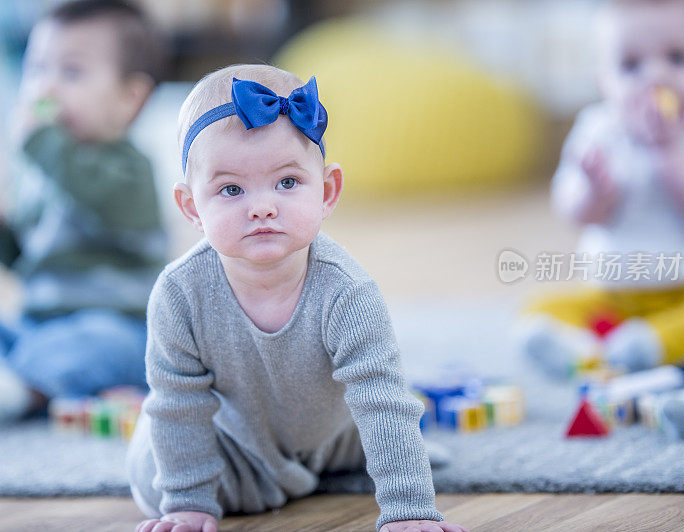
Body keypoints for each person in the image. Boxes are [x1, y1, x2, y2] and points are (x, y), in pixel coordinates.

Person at [125, 64, 466, 532]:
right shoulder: (179, 295)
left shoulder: (347, 291)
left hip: (332, 432)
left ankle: (334, 464)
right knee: (151, 475)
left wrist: (408, 509)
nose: (262, 206)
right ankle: (278, 479)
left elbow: (379, 396)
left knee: (388, 416)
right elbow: (178, 402)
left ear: (326, 191)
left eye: (287, 183)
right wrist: (188, 501)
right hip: (235, 441)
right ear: (191, 208)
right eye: (230, 189)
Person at [0, 0, 167, 424]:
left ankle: (19, 391)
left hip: (118, 324)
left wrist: (42, 144)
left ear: (130, 98)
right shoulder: (44, 171)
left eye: (71, 72)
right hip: (39, 324)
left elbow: (94, 194)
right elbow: (29, 261)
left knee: (98, 345)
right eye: (37, 69)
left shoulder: (131, 168)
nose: (46, 89)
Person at [518, 0, 684, 378]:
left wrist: (669, 155)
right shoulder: (598, 130)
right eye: (631, 65)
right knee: (540, 308)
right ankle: (583, 348)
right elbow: (570, 211)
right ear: (603, 80)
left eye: (678, 58)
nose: (656, 77)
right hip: (617, 292)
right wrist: (594, 193)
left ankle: (649, 346)